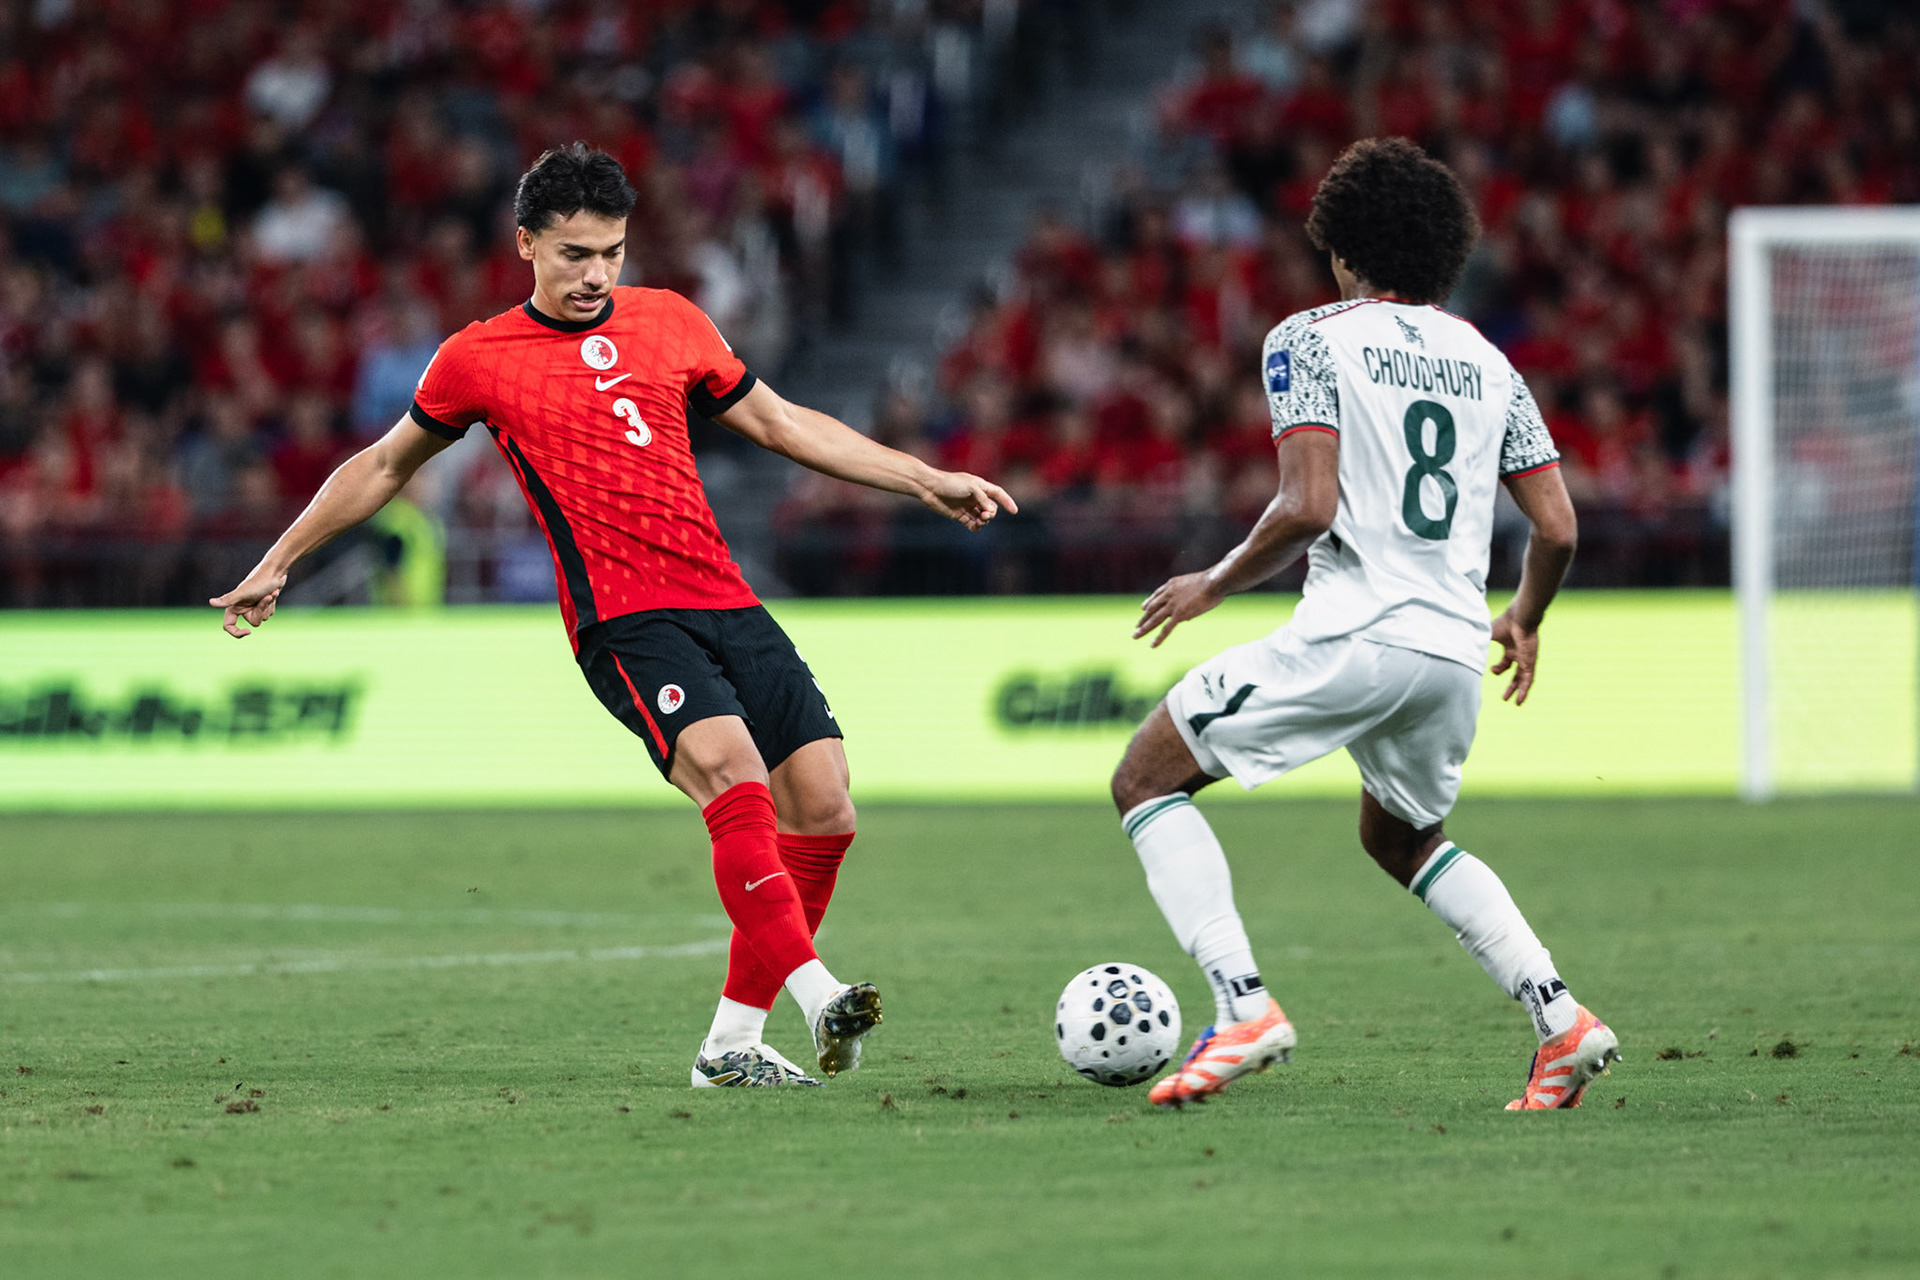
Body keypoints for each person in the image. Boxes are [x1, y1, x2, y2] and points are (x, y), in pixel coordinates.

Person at [212, 143, 1016, 1088]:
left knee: (826, 808)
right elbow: (384, 466)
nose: (596, 274)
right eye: (574, 254)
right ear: (527, 246)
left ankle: (728, 1047)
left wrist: (922, 478)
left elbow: (785, 424)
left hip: (726, 597)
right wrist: (280, 561)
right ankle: (815, 996)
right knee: (730, 773)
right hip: (624, 620)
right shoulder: (477, 358)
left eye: (612, 253)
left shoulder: (672, 323)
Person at [1108, 138, 1618, 1111]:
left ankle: (1243, 1004)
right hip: (1451, 649)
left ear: (1342, 247)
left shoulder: (1309, 337)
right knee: (1403, 834)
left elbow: (1307, 505)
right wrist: (1524, 614)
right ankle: (1562, 1022)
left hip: (1356, 632)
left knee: (1143, 777)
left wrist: (1215, 581)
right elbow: (1557, 525)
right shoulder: (1490, 362)